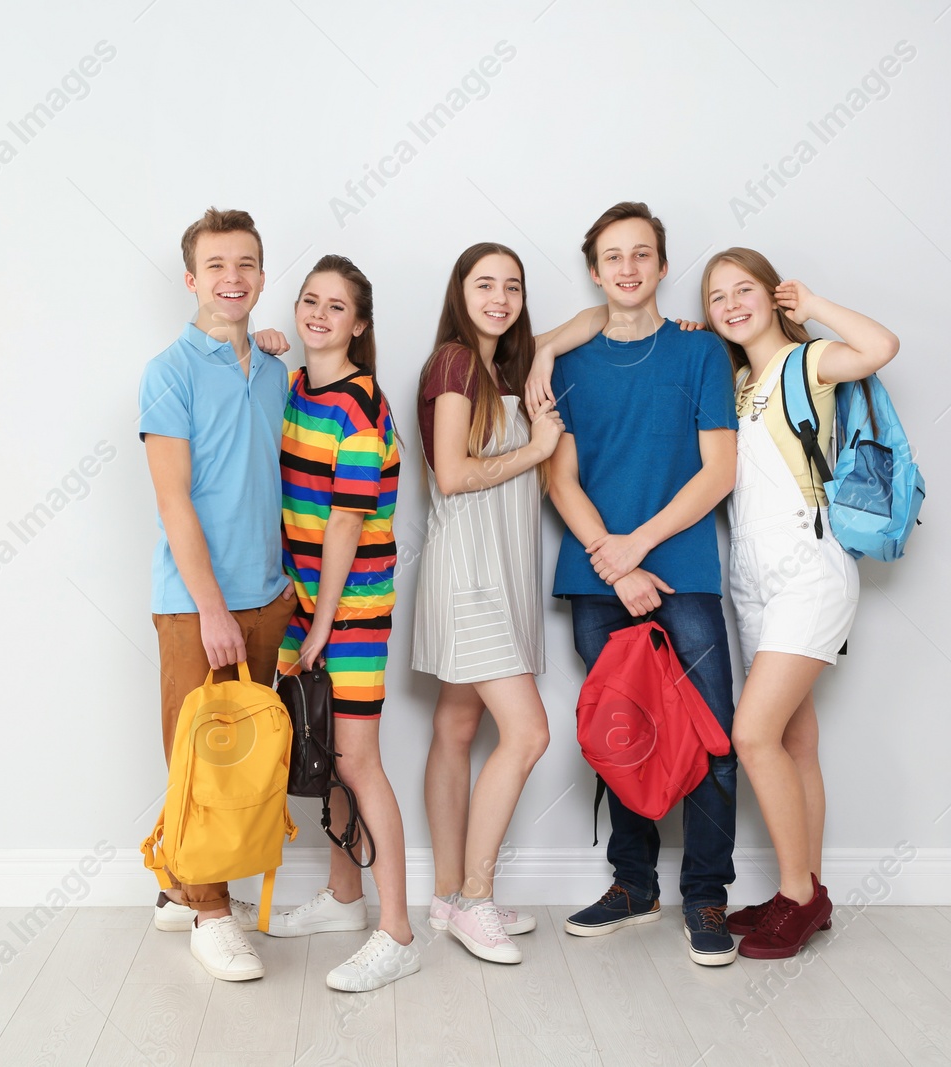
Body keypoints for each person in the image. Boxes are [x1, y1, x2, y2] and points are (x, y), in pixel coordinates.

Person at [531, 201, 742, 967]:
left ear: (660, 265)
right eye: (613, 256)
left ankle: (707, 894)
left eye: (642, 254)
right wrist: (610, 560)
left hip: (680, 572)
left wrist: (636, 549)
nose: (628, 268)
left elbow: (720, 470)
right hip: (597, 580)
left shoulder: (701, 355)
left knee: (712, 736)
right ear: (596, 270)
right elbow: (562, 480)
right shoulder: (568, 365)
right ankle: (633, 884)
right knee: (627, 737)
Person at [698, 247, 898, 959]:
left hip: (809, 570)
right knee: (792, 740)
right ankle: (808, 885)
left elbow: (879, 348)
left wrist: (811, 305)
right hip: (753, 578)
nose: (731, 305)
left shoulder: (801, 363)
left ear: (771, 293)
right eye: (717, 296)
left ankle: (797, 898)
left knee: (751, 733)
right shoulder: (737, 380)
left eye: (743, 289)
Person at [139, 207, 297, 982]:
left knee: (244, 761)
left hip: (270, 596)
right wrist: (209, 607)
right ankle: (210, 911)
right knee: (198, 759)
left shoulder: (275, 369)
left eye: (246, 264)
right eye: (216, 265)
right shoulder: (167, 372)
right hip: (195, 602)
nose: (232, 278)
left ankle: (179, 883)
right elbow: (175, 503)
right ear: (192, 277)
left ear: (261, 277)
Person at [258, 255, 417, 992]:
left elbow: (347, 525)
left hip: (348, 610)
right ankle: (344, 898)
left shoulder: (360, 406)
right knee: (326, 753)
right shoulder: (294, 388)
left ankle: (397, 932)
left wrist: (319, 629)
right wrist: (254, 349)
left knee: (357, 761)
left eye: (337, 306)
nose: (319, 315)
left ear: (359, 324)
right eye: (309, 301)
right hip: (304, 607)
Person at [413, 243, 564, 965]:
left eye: (513, 286)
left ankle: (448, 896)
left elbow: (595, 317)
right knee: (528, 733)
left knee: (457, 722)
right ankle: (476, 896)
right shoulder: (454, 363)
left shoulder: (503, 368)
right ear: (459, 290)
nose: (500, 297)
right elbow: (451, 474)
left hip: (497, 571)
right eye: (484, 284)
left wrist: (543, 353)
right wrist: (538, 450)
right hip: (470, 574)